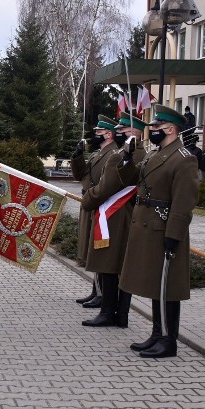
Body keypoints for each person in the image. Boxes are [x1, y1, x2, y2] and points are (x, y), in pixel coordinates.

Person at [117, 105, 199, 358]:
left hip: (164, 227)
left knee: (167, 285)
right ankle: (156, 333)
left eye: (155, 127)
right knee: (156, 283)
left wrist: (173, 235)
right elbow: (133, 180)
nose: (150, 130)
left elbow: (184, 201)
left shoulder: (184, 158)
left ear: (170, 129)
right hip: (147, 225)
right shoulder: (156, 155)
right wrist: (127, 158)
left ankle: (168, 340)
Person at [79, 114, 147, 328]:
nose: (119, 132)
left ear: (134, 132)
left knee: (110, 265)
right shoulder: (128, 153)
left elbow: (108, 185)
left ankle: (109, 312)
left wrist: (88, 200)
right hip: (118, 213)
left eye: (124, 130)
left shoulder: (130, 154)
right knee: (115, 266)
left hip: (116, 214)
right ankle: (119, 314)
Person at [70, 116, 119, 309]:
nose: (95, 135)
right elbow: (79, 174)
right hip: (89, 202)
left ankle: (101, 294)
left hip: (99, 204)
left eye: (99, 132)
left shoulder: (113, 153)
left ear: (108, 134)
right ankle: (95, 291)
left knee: (98, 248)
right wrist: (77, 155)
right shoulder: (98, 153)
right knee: (91, 248)